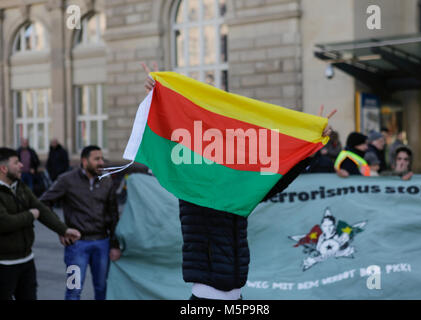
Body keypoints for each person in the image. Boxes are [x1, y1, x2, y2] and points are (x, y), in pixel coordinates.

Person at [143, 63, 336, 300]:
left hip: (236, 297)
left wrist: (309, 151)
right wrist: (159, 98)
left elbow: (272, 183)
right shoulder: (192, 186)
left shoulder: (235, 190)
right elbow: (168, 143)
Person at [40, 145, 121, 300]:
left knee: (102, 288)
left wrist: (114, 245)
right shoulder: (66, 180)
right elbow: (43, 203)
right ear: (84, 161)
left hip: (102, 244)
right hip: (76, 247)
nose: (101, 162)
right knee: (74, 290)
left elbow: (113, 214)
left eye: (102, 158)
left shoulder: (106, 180)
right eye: (96, 159)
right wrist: (61, 229)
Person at [0, 148, 80, 300]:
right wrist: (31, 215)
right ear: (3, 168)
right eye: (16, 162)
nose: (22, 165)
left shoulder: (20, 186)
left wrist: (63, 230)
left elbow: (41, 209)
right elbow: (5, 222)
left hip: (26, 261)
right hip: (4, 264)